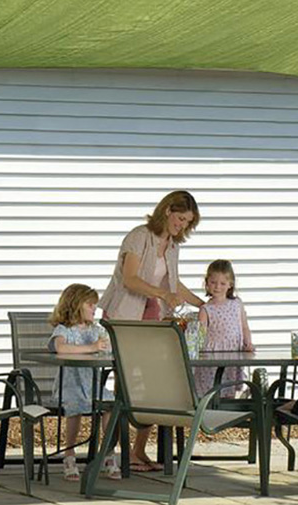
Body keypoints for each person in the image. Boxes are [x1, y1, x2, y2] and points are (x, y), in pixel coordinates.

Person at [98, 190, 205, 471]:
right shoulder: (138, 236)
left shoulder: (172, 246)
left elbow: (174, 285)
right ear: (168, 209)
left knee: (153, 382)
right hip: (124, 316)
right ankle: (113, 453)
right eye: (180, 218)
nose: (182, 226)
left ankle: (137, 451)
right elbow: (131, 279)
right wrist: (163, 294)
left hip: (152, 318)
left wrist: (203, 304)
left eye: (187, 223)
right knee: (126, 385)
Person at [48, 284, 120, 482]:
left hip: (92, 385)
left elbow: (106, 347)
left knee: (111, 404)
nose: (94, 308)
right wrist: (91, 347)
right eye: (90, 304)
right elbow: (60, 348)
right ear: (76, 305)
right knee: (75, 406)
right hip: (69, 386)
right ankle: (69, 455)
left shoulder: (95, 330)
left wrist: (105, 344)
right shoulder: (64, 330)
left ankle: (108, 452)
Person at [194, 260, 253, 397]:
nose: (217, 287)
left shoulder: (237, 304)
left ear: (230, 284)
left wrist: (248, 343)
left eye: (222, 283)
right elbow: (200, 335)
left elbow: (244, 326)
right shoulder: (206, 309)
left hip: (233, 352)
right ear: (207, 283)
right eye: (213, 282)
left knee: (229, 390)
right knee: (211, 390)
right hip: (213, 355)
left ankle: (228, 416)